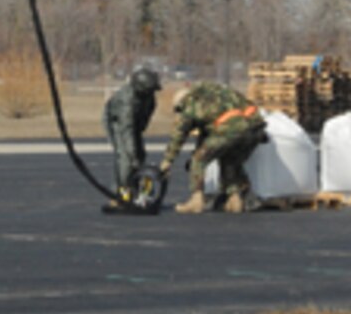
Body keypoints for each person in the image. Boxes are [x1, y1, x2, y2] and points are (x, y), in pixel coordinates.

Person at [158, 81, 267, 214]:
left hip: (231, 129)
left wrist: (167, 161)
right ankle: (235, 200)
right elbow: (206, 136)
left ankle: (196, 201)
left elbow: (179, 135)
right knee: (230, 161)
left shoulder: (190, 104)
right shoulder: (215, 93)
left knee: (198, 160)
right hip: (255, 128)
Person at [103, 65, 161, 199]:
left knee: (140, 154)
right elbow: (126, 130)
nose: (152, 93)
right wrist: (132, 155)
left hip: (134, 122)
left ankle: (136, 188)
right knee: (125, 158)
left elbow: (146, 115)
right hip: (117, 122)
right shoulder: (126, 100)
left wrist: (139, 132)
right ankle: (121, 191)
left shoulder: (149, 97)